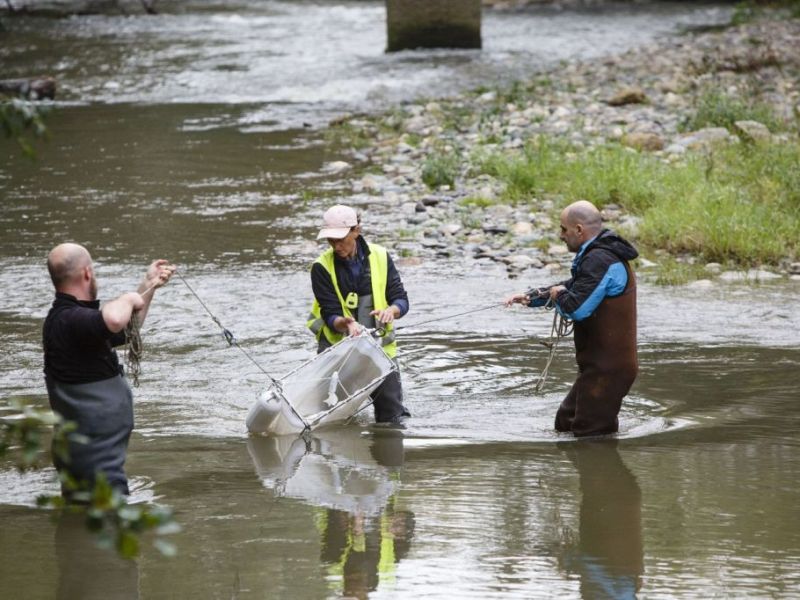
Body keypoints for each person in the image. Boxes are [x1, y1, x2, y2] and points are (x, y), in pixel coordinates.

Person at [43, 243, 174, 498]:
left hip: (94, 458)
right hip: (96, 465)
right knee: (105, 524)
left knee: (85, 523)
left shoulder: (72, 321)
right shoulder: (70, 320)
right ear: (87, 273)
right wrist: (126, 298)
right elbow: (114, 320)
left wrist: (148, 286)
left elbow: (124, 330)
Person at [505, 200, 638, 437]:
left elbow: (577, 308)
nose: (560, 235)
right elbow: (574, 287)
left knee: (591, 437)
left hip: (608, 370)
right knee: (565, 422)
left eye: (563, 229)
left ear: (579, 230)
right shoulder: (596, 257)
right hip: (596, 368)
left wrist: (560, 296)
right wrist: (531, 297)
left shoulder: (601, 260)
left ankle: (601, 472)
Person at [307, 204, 411, 424]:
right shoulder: (320, 267)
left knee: (391, 418)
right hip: (336, 352)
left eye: (340, 239)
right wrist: (343, 323)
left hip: (380, 350)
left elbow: (401, 299)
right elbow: (329, 312)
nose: (336, 246)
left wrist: (391, 311)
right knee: (327, 418)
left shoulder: (381, 256)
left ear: (356, 231)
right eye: (330, 240)